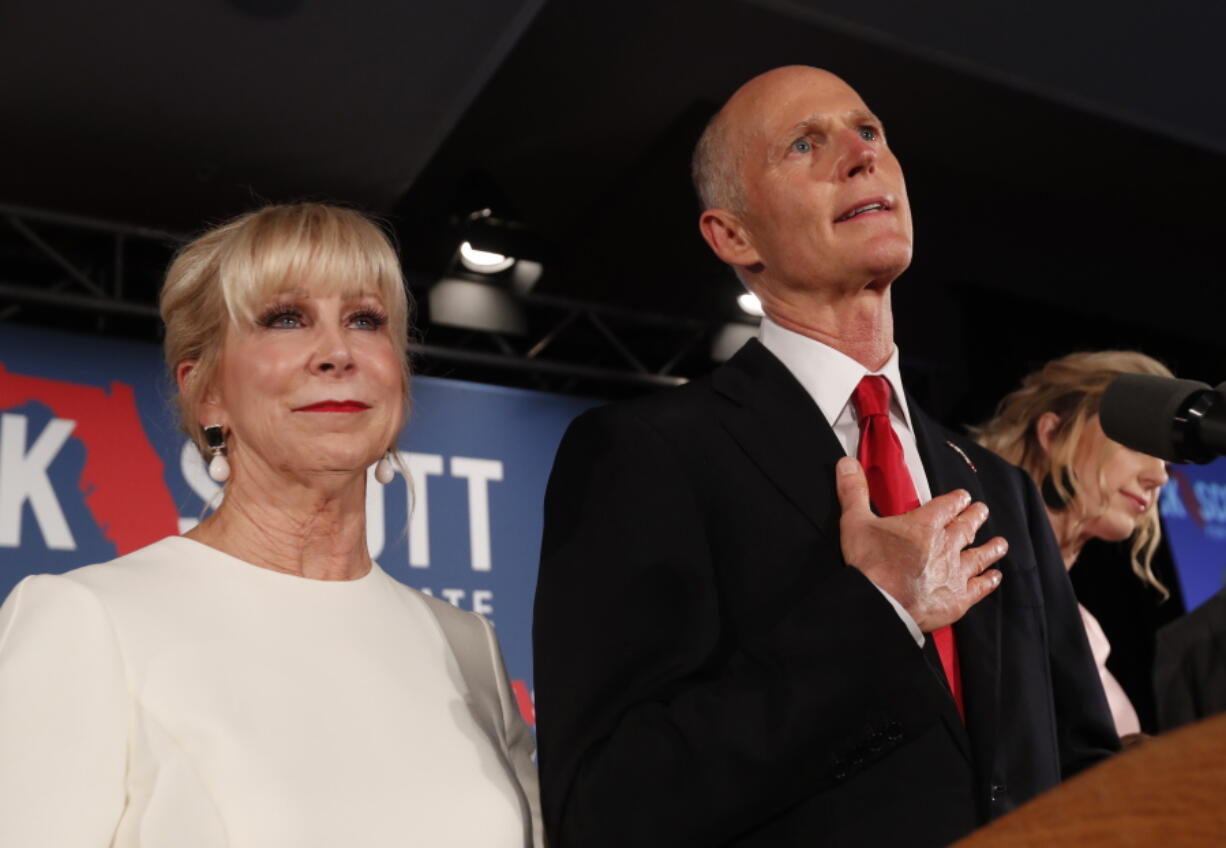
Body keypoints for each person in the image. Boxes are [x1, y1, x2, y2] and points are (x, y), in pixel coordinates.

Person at [532, 66, 1117, 848]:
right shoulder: (648, 454)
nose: (859, 155)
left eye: (868, 131)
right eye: (805, 144)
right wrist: (877, 611)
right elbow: (607, 808)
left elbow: (1083, 772)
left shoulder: (997, 486)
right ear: (733, 234)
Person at [0, 203, 542, 847]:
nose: (337, 351)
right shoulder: (86, 618)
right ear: (207, 392)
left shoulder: (466, 644)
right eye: (286, 319)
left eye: (366, 320)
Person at [976, 350, 1173, 738]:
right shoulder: (970, 582)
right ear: (1051, 432)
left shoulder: (1083, 630)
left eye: (1166, 461)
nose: (1159, 476)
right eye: (1138, 444)